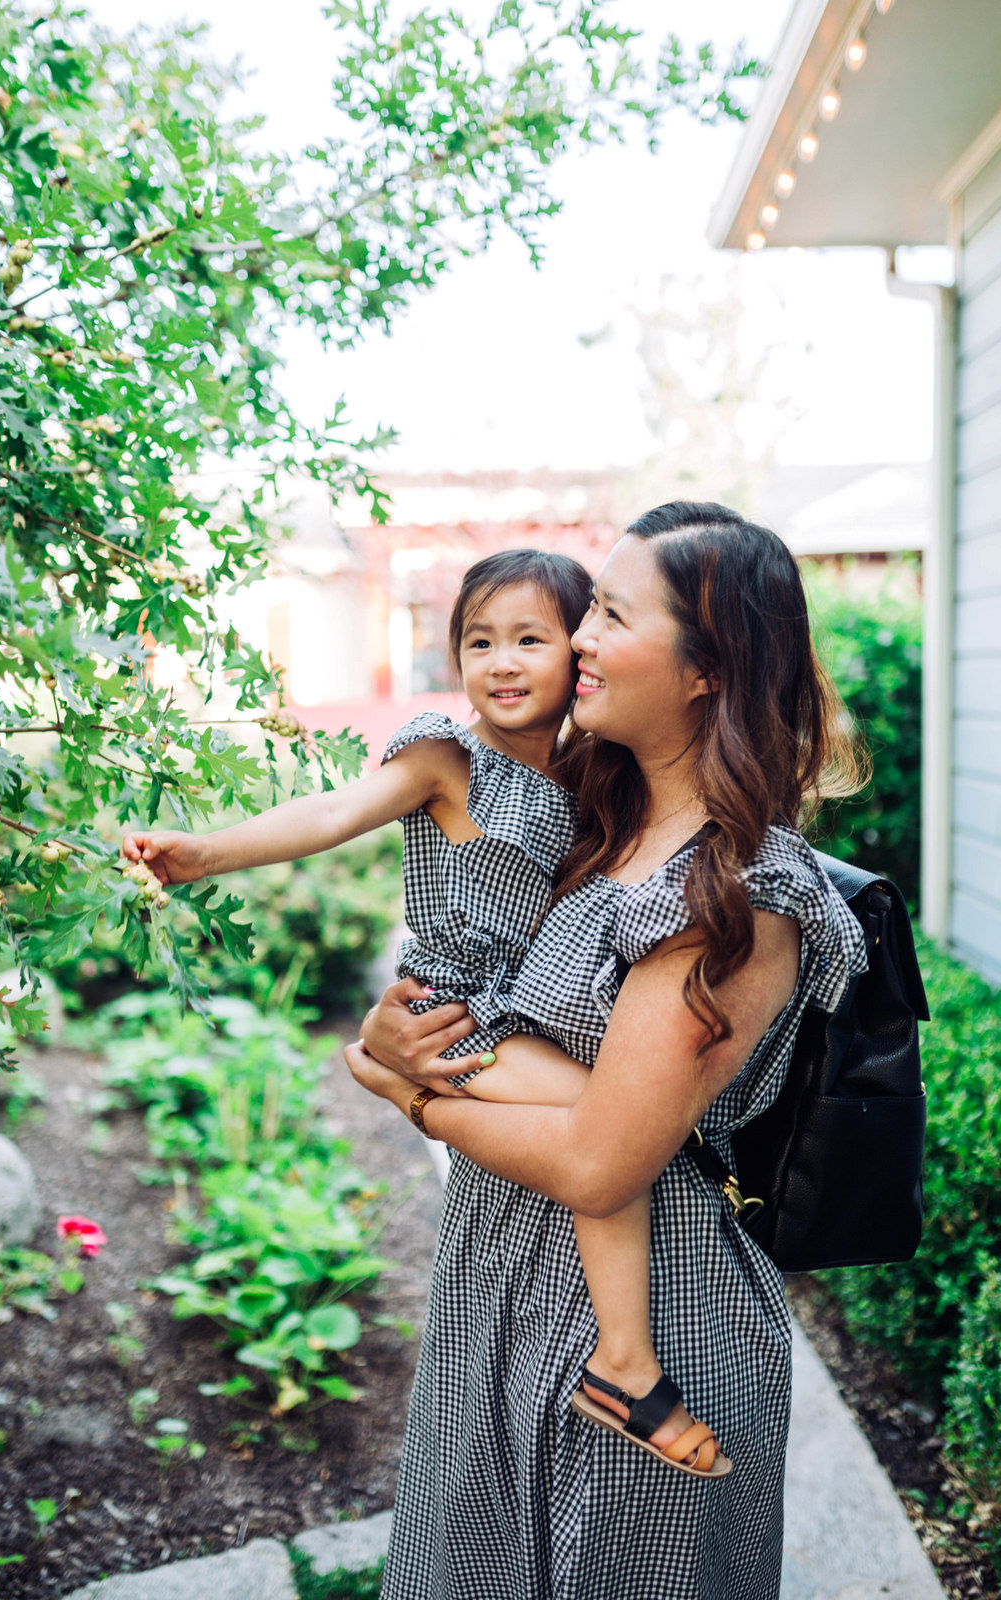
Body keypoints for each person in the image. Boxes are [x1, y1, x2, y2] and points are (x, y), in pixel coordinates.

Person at [346, 501, 870, 1600]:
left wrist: (410, 1094)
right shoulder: (588, 817)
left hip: (650, 1337)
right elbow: (469, 975)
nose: (575, 637)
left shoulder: (738, 892)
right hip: (496, 1285)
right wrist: (398, 1031)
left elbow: (599, 1163)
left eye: (611, 615)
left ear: (703, 669)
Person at [119, 546, 716, 1470]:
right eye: (478, 641)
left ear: (580, 655)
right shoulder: (449, 757)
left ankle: (614, 1360)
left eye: (529, 638)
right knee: (611, 1138)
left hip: (527, 1012)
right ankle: (625, 1367)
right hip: (457, 1011)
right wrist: (205, 855)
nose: (501, 662)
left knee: (608, 1141)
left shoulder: (595, 774)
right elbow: (330, 813)